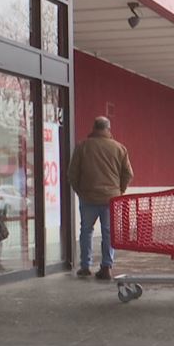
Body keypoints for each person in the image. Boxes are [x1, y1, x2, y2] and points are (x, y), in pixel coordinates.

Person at [67, 116, 133, 280]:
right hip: (111, 198)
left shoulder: (82, 147)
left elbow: (72, 173)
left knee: (86, 231)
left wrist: (80, 191)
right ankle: (106, 266)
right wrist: (119, 190)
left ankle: (85, 266)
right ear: (108, 129)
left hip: (88, 197)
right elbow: (128, 173)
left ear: (94, 128)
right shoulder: (119, 148)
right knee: (109, 233)